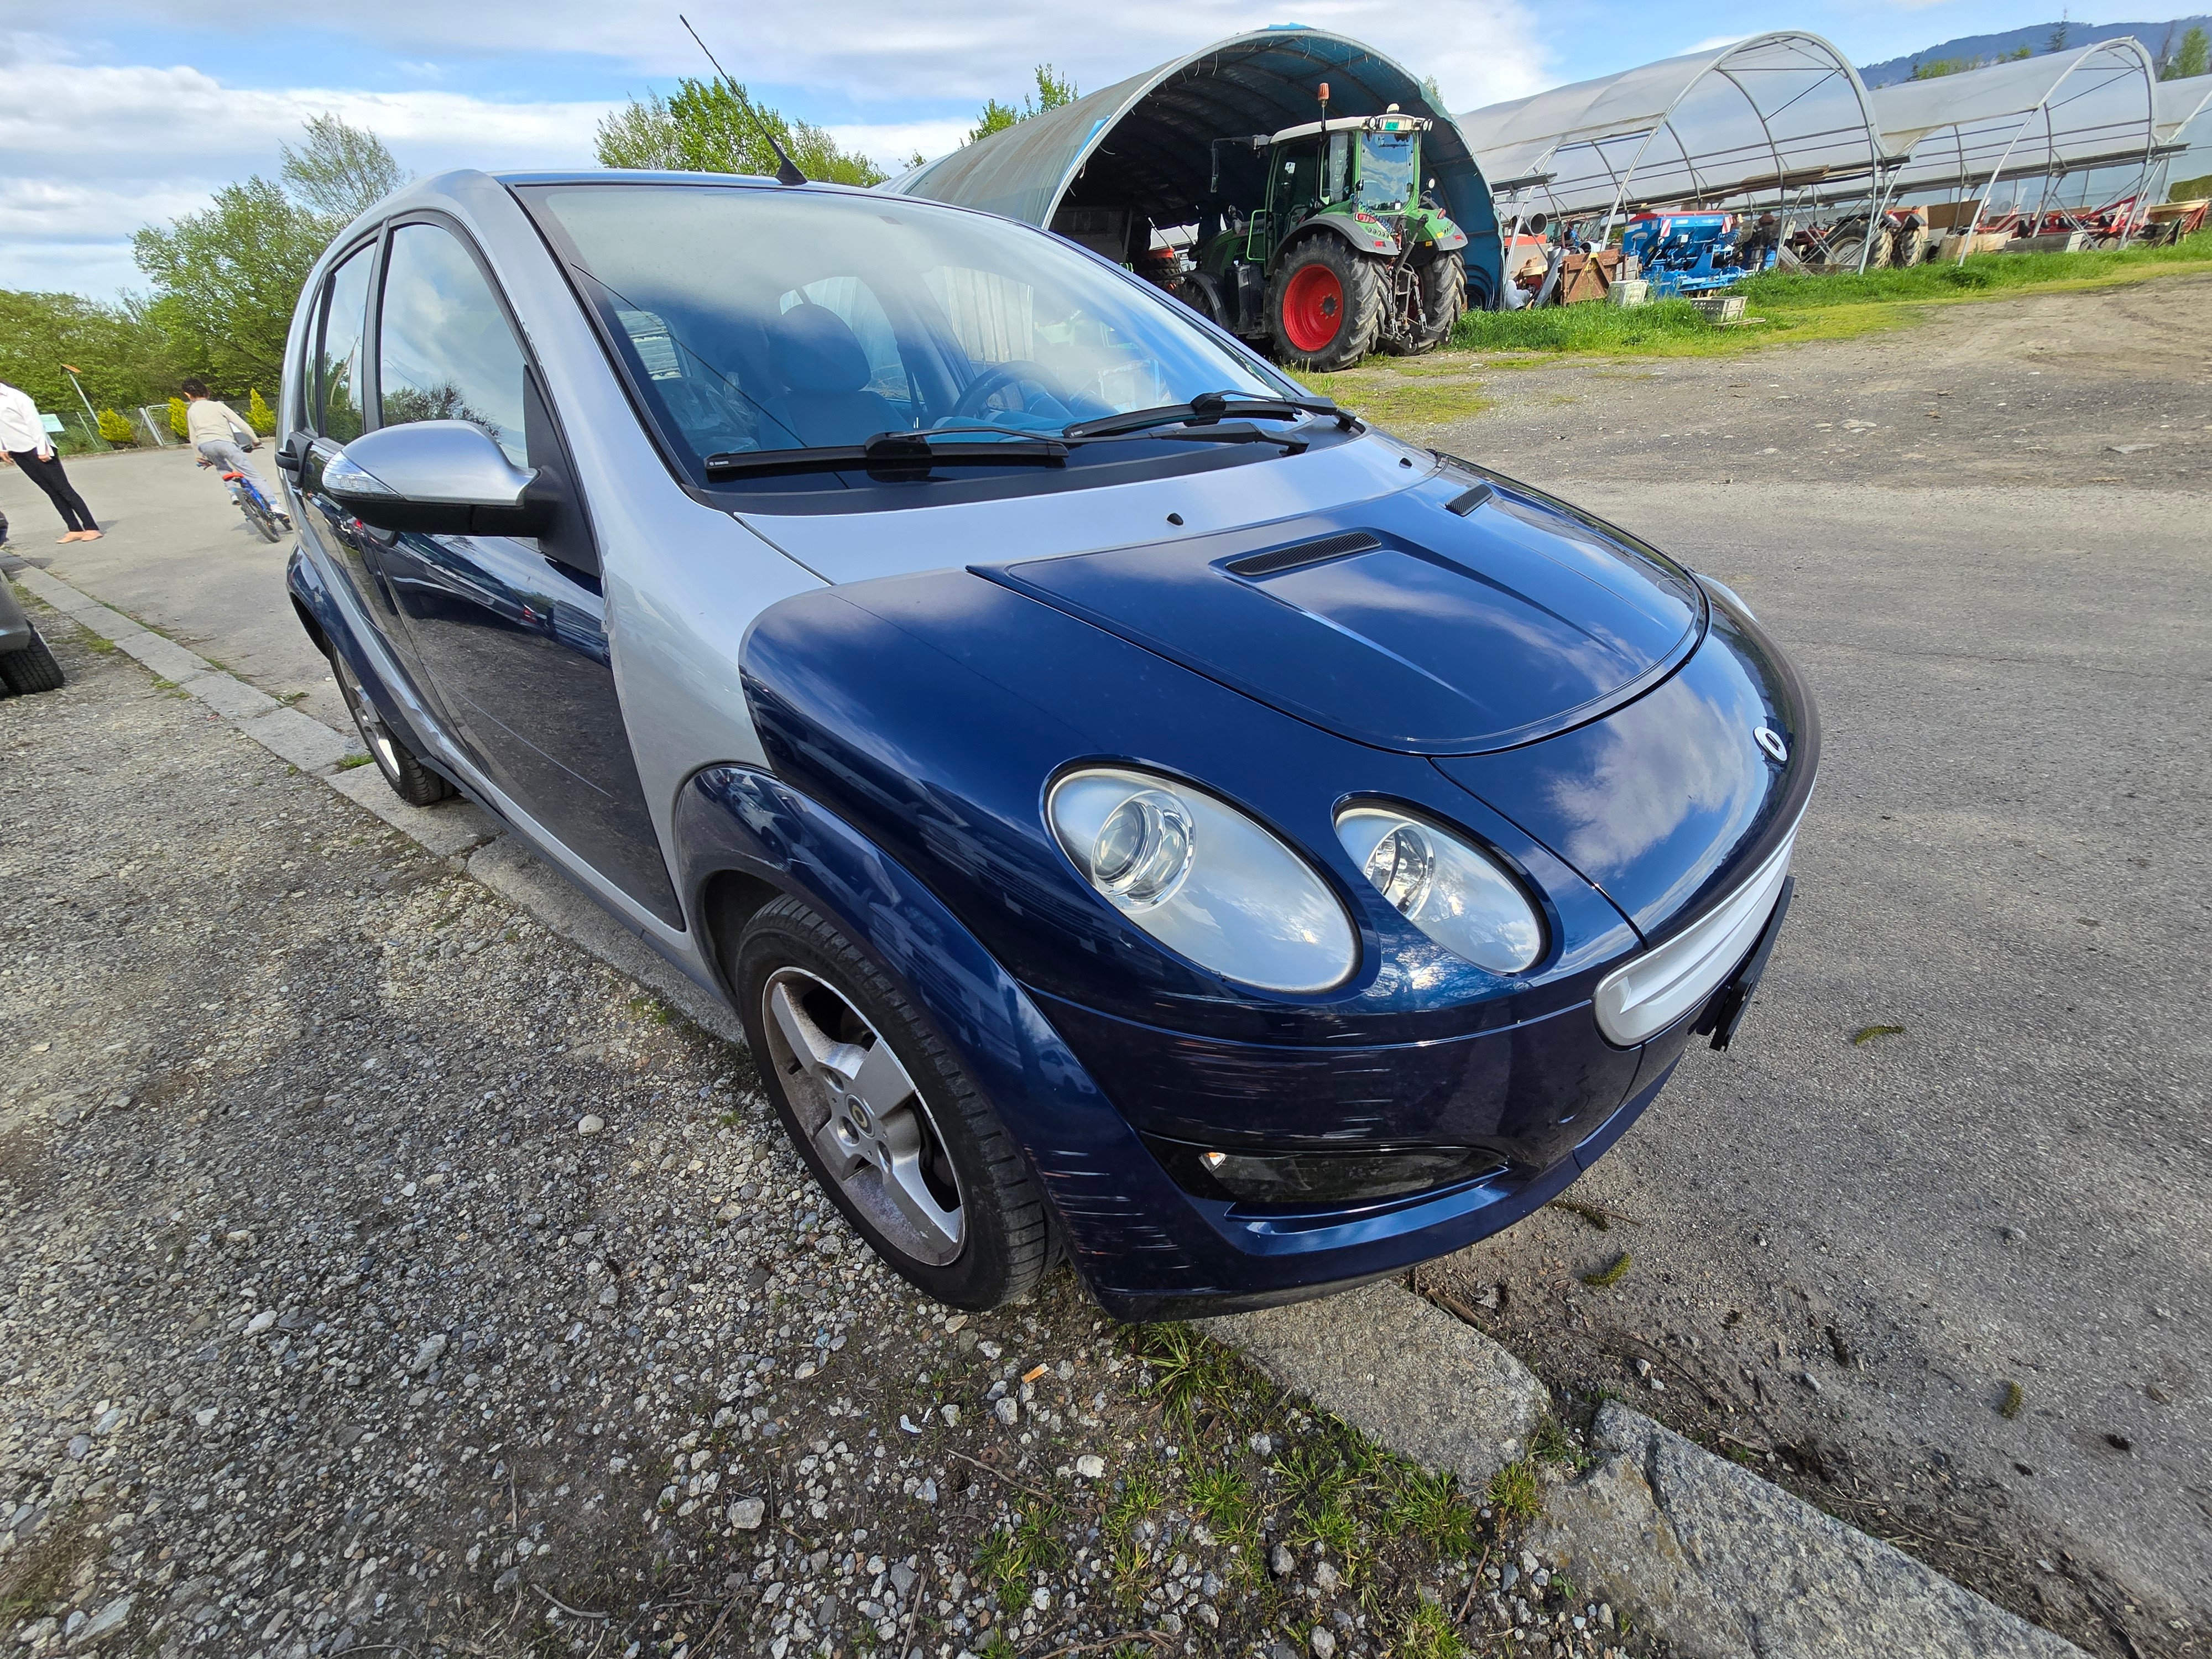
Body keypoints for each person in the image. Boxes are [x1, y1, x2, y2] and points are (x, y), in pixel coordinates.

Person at [0, 379, 101, 542]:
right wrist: (3, 447)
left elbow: (35, 424)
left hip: (38, 449)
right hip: (18, 451)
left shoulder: (17, 397)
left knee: (64, 489)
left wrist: (42, 449)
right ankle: (74, 529)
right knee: (51, 491)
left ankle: (91, 527)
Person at [181, 380, 287, 525]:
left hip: (205, 445)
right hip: (226, 443)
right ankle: (274, 505)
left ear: (188, 395)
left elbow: (193, 438)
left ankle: (233, 493)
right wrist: (255, 440)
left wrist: (199, 457)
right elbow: (240, 424)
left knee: (223, 468)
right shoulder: (218, 406)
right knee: (253, 475)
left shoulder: (191, 411)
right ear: (207, 392)